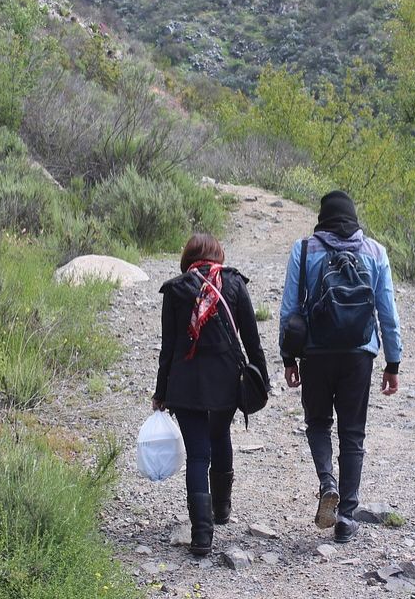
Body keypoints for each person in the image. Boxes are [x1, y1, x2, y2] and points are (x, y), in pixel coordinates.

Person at [279, 190, 402, 543]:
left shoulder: (304, 249)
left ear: (323, 216)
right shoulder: (375, 252)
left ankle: (326, 482)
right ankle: (347, 516)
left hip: (316, 352)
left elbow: (290, 310)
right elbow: (388, 314)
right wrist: (392, 362)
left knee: (317, 422)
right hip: (358, 354)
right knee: (353, 433)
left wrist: (289, 358)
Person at [153, 233, 269, 556]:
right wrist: (262, 378)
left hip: (184, 386)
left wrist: (160, 392)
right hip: (225, 383)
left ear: (187, 259)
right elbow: (252, 339)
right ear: (218, 256)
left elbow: (169, 349)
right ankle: (221, 509)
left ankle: (201, 536)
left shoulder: (175, 290)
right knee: (219, 437)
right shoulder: (233, 284)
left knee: (198, 455)